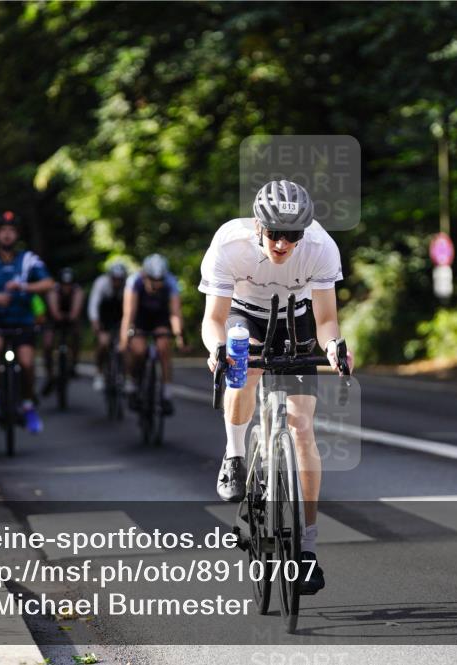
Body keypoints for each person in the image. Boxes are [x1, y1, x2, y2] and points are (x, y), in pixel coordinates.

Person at [199, 180, 353, 595]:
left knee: (302, 428)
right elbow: (213, 317)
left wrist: (335, 347)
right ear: (258, 227)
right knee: (242, 362)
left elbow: (325, 321)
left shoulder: (321, 247)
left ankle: (305, 549)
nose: (283, 244)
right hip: (243, 317)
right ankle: (234, 454)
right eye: (274, 234)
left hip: (295, 318)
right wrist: (217, 349)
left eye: (293, 235)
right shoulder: (229, 245)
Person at [0, 211, 54, 434]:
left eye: (11, 231)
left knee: (27, 363)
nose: (7, 235)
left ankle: (27, 405)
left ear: (17, 235)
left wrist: (24, 287)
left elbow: (48, 282)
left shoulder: (28, 259)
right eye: (3, 231)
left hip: (22, 322)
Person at [118, 254, 186, 415]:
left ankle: (167, 392)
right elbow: (129, 314)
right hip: (140, 316)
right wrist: (123, 341)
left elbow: (175, 313)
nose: (156, 286)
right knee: (138, 349)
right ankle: (132, 381)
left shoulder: (170, 282)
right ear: (144, 275)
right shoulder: (134, 282)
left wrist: (180, 337)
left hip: (159, 317)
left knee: (163, 347)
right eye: (152, 281)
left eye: (159, 281)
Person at [41, 267, 85, 395]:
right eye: (64, 285)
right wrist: (58, 316)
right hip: (54, 320)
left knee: (77, 334)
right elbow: (54, 312)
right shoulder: (53, 291)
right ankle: (50, 374)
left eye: (69, 285)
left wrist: (72, 316)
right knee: (48, 344)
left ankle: (74, 364)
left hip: (70, 319)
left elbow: (76, 311)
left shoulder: (78, 291)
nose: (67, 287)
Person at [88, 261, 128, 392]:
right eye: (114, 279)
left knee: (126, 345)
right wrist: (96, 323)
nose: (117, 282)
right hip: (105, 316)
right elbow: (94, 305)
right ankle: (99, 373)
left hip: (122, 316)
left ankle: (124, 375)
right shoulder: (101, 284)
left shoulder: (128, 286)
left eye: (119, 280)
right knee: (103, 343)